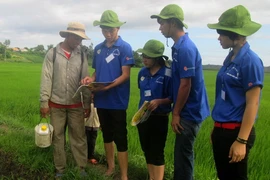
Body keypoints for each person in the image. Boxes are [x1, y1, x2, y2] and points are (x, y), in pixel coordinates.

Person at [151, 4, 210, 180]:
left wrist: (176, 113)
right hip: (187, 110)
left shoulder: (185, 48)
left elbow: (186, 84)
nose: (160, 27)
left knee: (183, 159)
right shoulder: (178, 47)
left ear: (173, 23)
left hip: (189, 112)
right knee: (182, 156)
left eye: (162, 23)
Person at [207, 5, 264, 180]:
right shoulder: (230, 58)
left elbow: (252, 103)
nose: (219, 37)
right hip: (221, 130)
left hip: (236, 133)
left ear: (236, 35)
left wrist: (241, 141)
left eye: (222, 33)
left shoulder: (250, 61)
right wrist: (216, 128)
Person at [81, 10, 134, 180]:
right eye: (105, 30)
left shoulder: (125, 48)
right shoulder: (98, 49)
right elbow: (97, 72)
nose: (108, 34)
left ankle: (124, 174)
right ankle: (111, 168)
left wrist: (107, 87)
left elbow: (125, 74)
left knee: (121, 137)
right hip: (102, 101)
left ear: (118, 28)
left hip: (117, 100)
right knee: (107, 135)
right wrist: (92, 78)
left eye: (111, 30)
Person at [40, 22, 91, 178]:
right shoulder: (52, 53)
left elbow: (86, 80)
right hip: (56, 104)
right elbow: (46, 78)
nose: (79, 42)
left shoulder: (81, 55)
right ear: (68, 35)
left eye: (81, 39)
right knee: (58, 137)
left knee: (79, 138)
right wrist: (44, 102)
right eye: (76, 38)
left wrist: (87, 103)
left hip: (76, 105)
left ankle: (80, 168)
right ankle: (60, 169)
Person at [136, 39, 172, 180]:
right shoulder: (142, 73)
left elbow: (172, 97)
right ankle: (151, 177)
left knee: (157, 152)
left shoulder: (167, 74)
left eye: (148, 57)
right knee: (147, 150)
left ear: (157, 58)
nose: (144, 59)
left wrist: (159, 101)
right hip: (143, 116)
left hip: (159, 117)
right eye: (143, 56)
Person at [85, 94, 100, 165]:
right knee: (85, 140)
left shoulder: (99, 104)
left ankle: (91, 156)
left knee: (92, 142)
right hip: (86, 125)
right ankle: (84, 156)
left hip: (95, 126)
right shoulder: (86, 104)